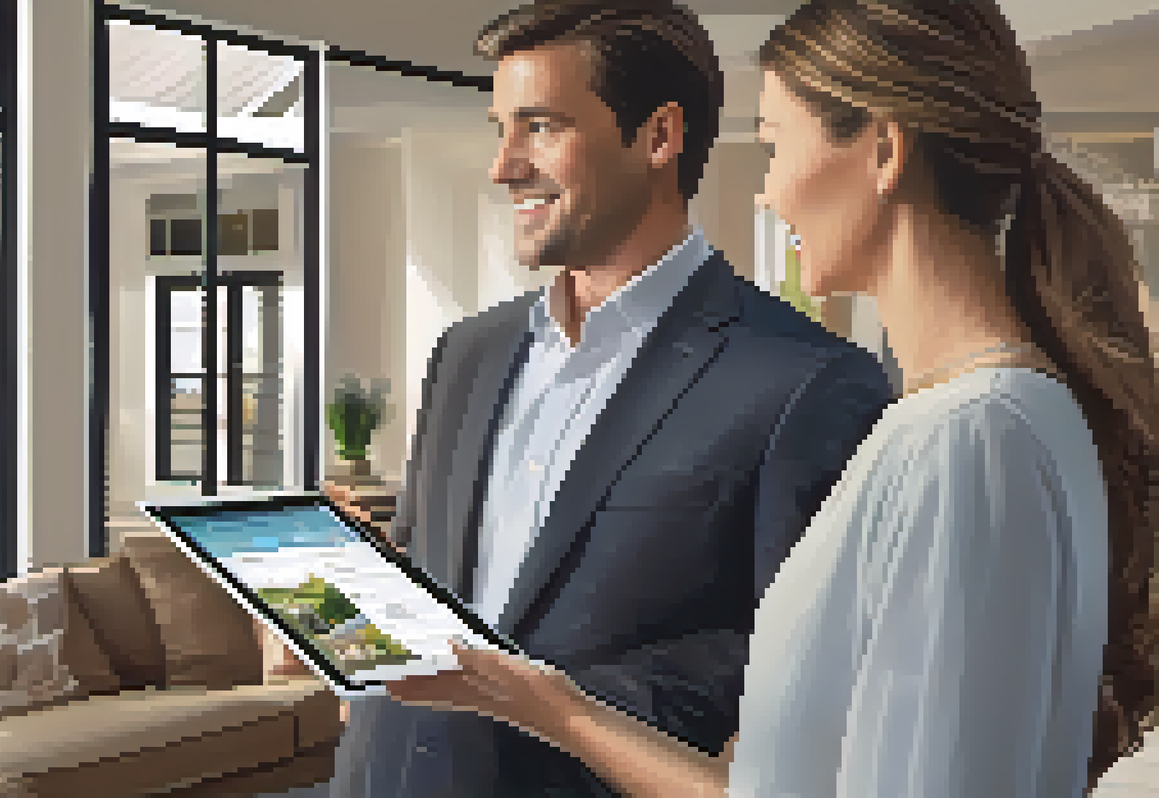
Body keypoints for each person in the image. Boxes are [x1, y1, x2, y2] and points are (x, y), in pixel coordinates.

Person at [381, 0, 1159, 795]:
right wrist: (558, 710)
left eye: (776, 148)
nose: (767, 196)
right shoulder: (991, 419)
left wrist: (563, 714)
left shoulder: (966, 438)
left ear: (883, 149)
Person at [329, 2, 896, 796]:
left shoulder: (806, 381)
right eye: (502, 128)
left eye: (540, 127)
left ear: (659, 137)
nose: (504, 166)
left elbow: (799, 676)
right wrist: (349, 620)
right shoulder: (465, 354)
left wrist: (540, 699)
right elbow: (430, 584)